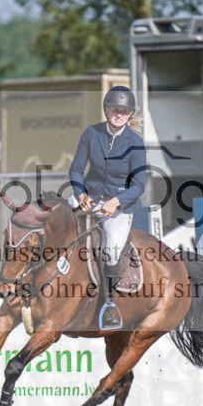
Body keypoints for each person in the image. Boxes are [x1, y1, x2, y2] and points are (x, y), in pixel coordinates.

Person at [69, 86, 147, 330]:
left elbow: (139, 185)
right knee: (59, 226)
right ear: (107, 110)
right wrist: (80, 193)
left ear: (129, 114)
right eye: (115, 110)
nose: (119, 115)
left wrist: (116, 201)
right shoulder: (91, 133)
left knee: (112, 250)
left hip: (119, 205)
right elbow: (76, 169)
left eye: (124, 111)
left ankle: (108, 306)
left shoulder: (136, 142)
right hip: (90, 199)